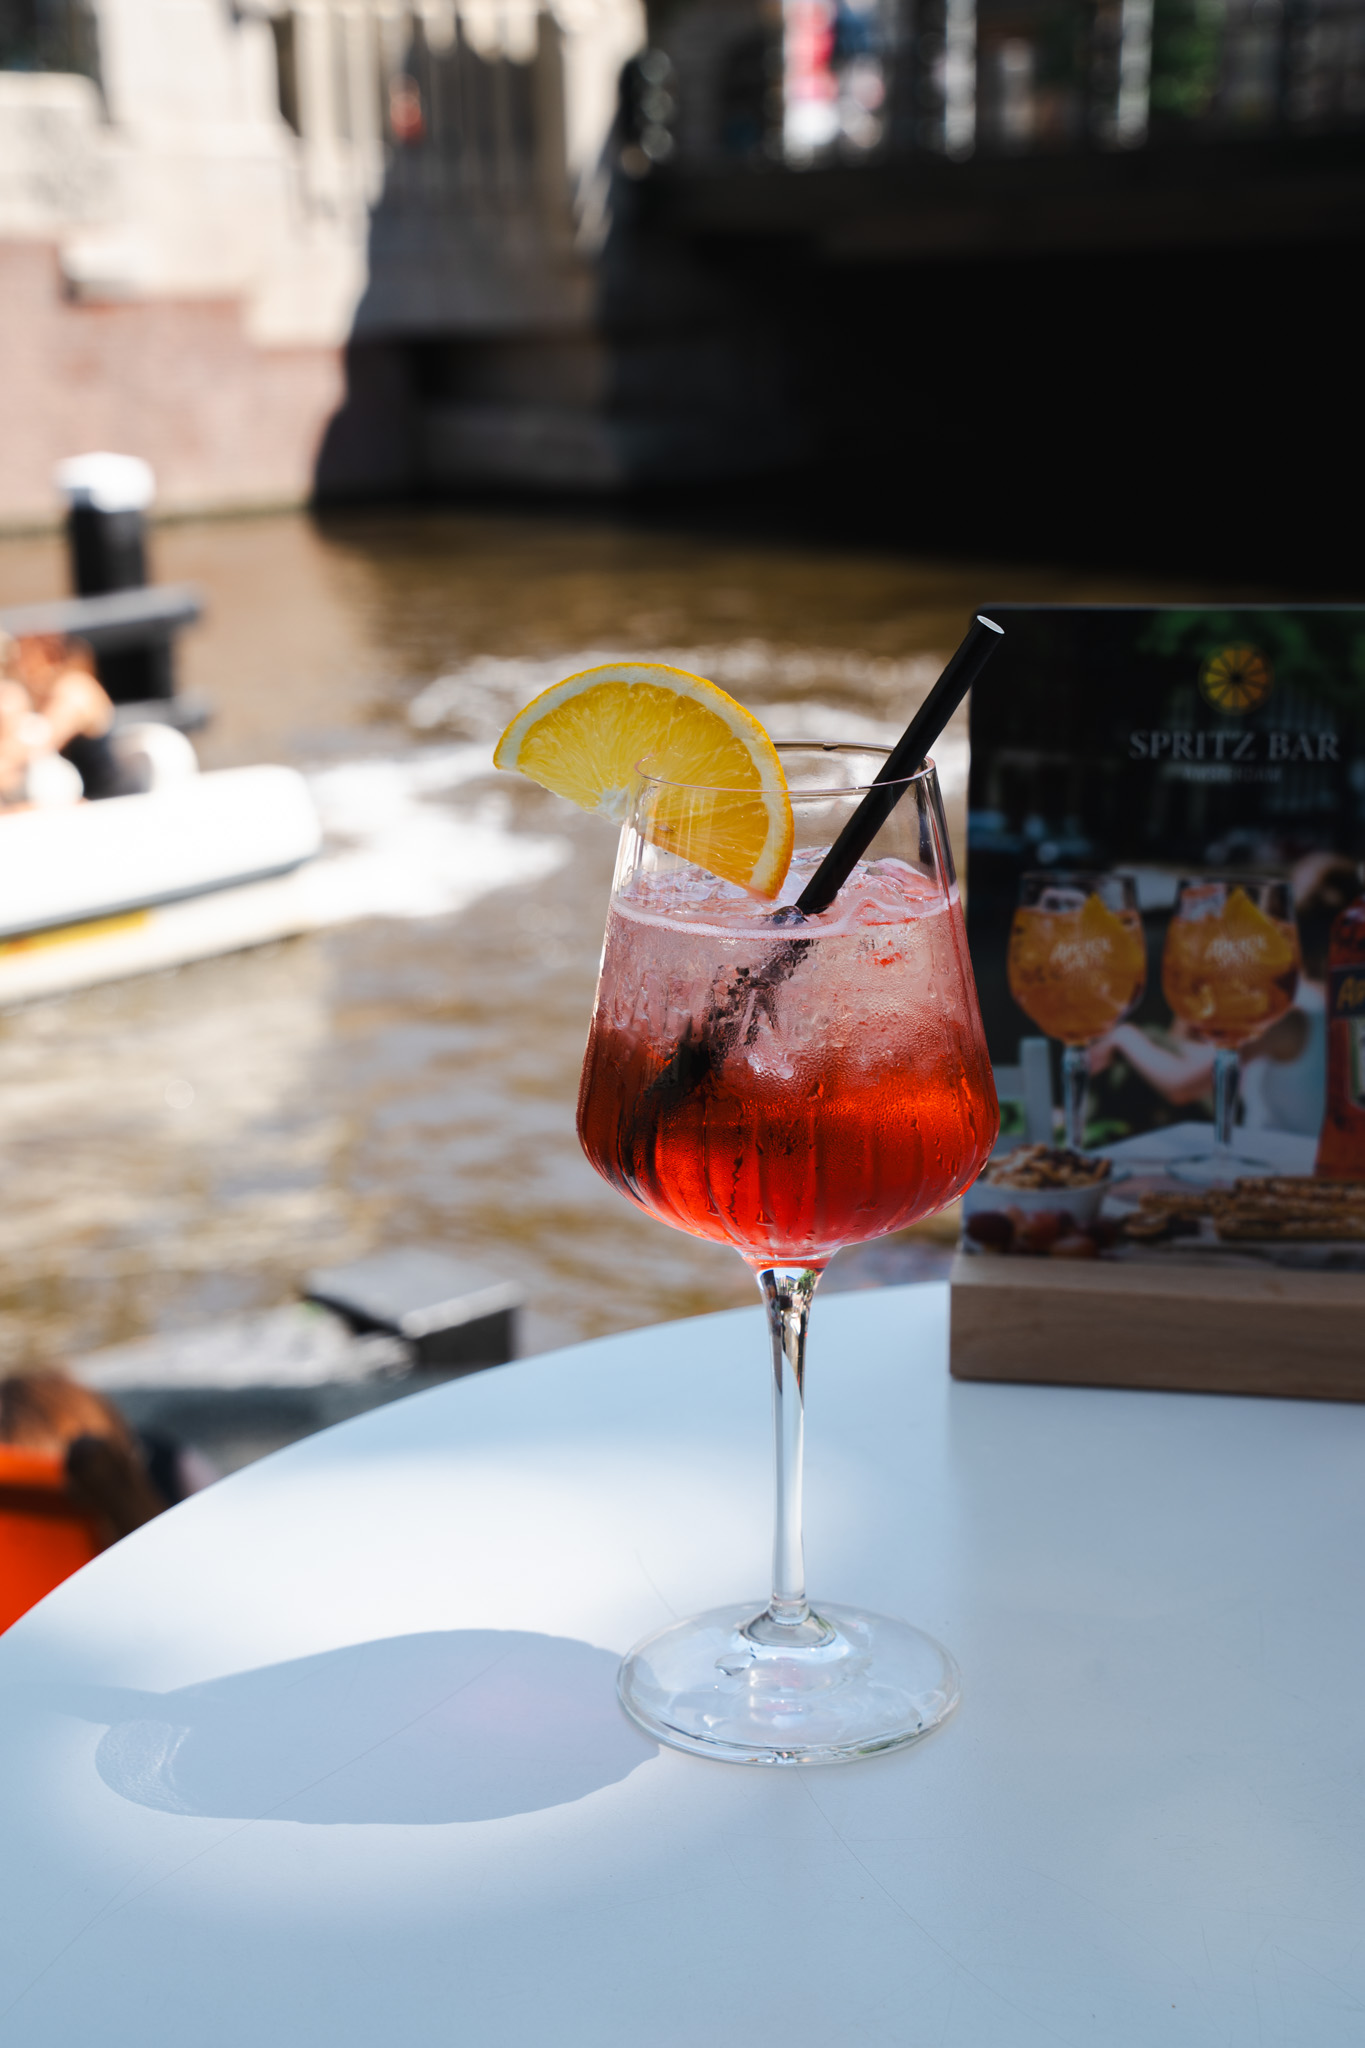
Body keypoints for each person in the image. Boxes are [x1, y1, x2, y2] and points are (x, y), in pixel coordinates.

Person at [1088, 854, 1357, 1137]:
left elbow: (1181, 1085)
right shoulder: (1345, 1000)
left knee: (1145, 1046)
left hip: (1282, 1159)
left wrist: (1124, 1036)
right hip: (1332, 1152)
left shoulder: (1289, 1010)